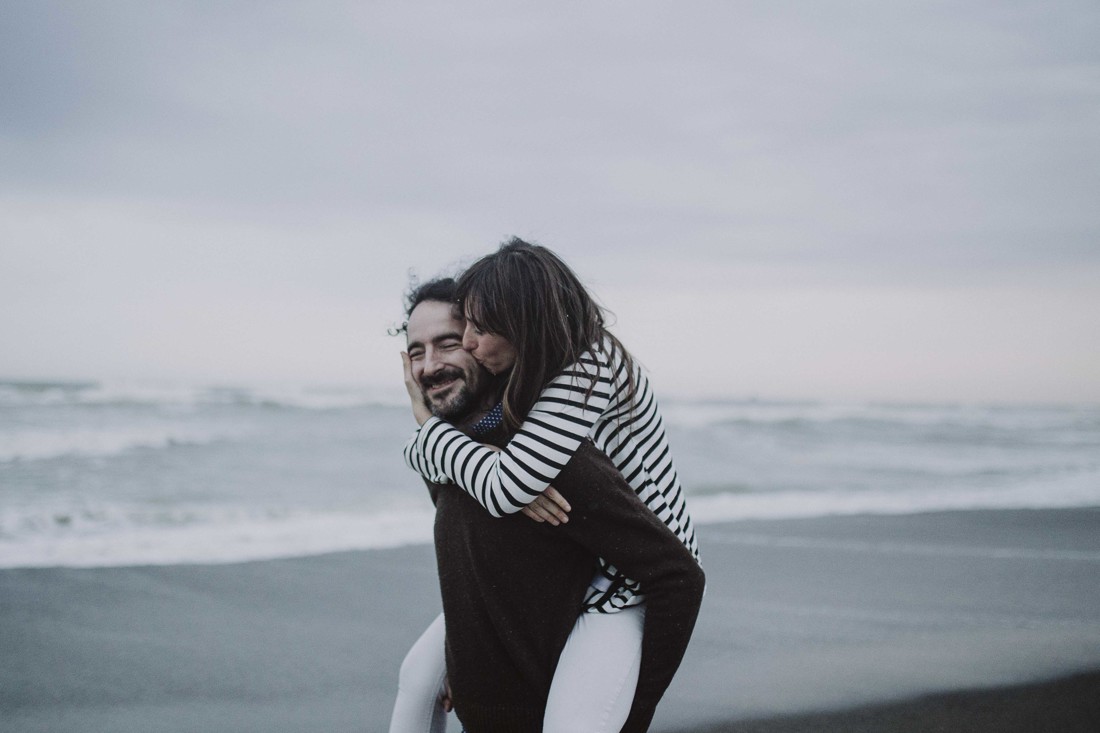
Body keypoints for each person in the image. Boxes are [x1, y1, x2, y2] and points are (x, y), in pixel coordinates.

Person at [401, 240, 703, 732]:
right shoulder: (531, 382)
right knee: (417, 677)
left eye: (478, 329)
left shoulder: (583, 368)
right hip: (587, 563)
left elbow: (506, 488)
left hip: (633, 580)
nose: (471, 343)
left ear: (521, 322)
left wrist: (426, 434)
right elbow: (492, 481)